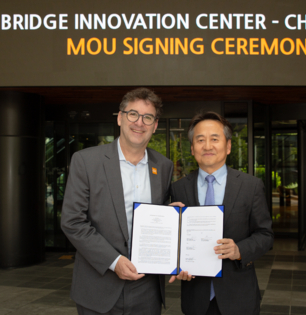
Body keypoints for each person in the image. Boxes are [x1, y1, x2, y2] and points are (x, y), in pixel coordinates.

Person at [61, 88, 175, 315]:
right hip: (99, 284)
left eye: (147, 117)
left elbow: (159, 217)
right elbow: (72, 221)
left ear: (155, 125)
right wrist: (114, 261)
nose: (139, 123)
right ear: (120, 117)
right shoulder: (86, 161)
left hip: (147, 288)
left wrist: (172, 216)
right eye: (133, 114)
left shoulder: (163, 166)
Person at [170, 111, 274, 315]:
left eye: (214, 139)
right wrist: (176, 263)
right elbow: (176, 240)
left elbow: (266, 235)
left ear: (228, 146)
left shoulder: (250, 186)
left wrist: (239, 250)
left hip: (239, 297)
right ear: (192, 149)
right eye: (200, 140)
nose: (207, 146)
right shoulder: (178, 188)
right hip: (195, 298)